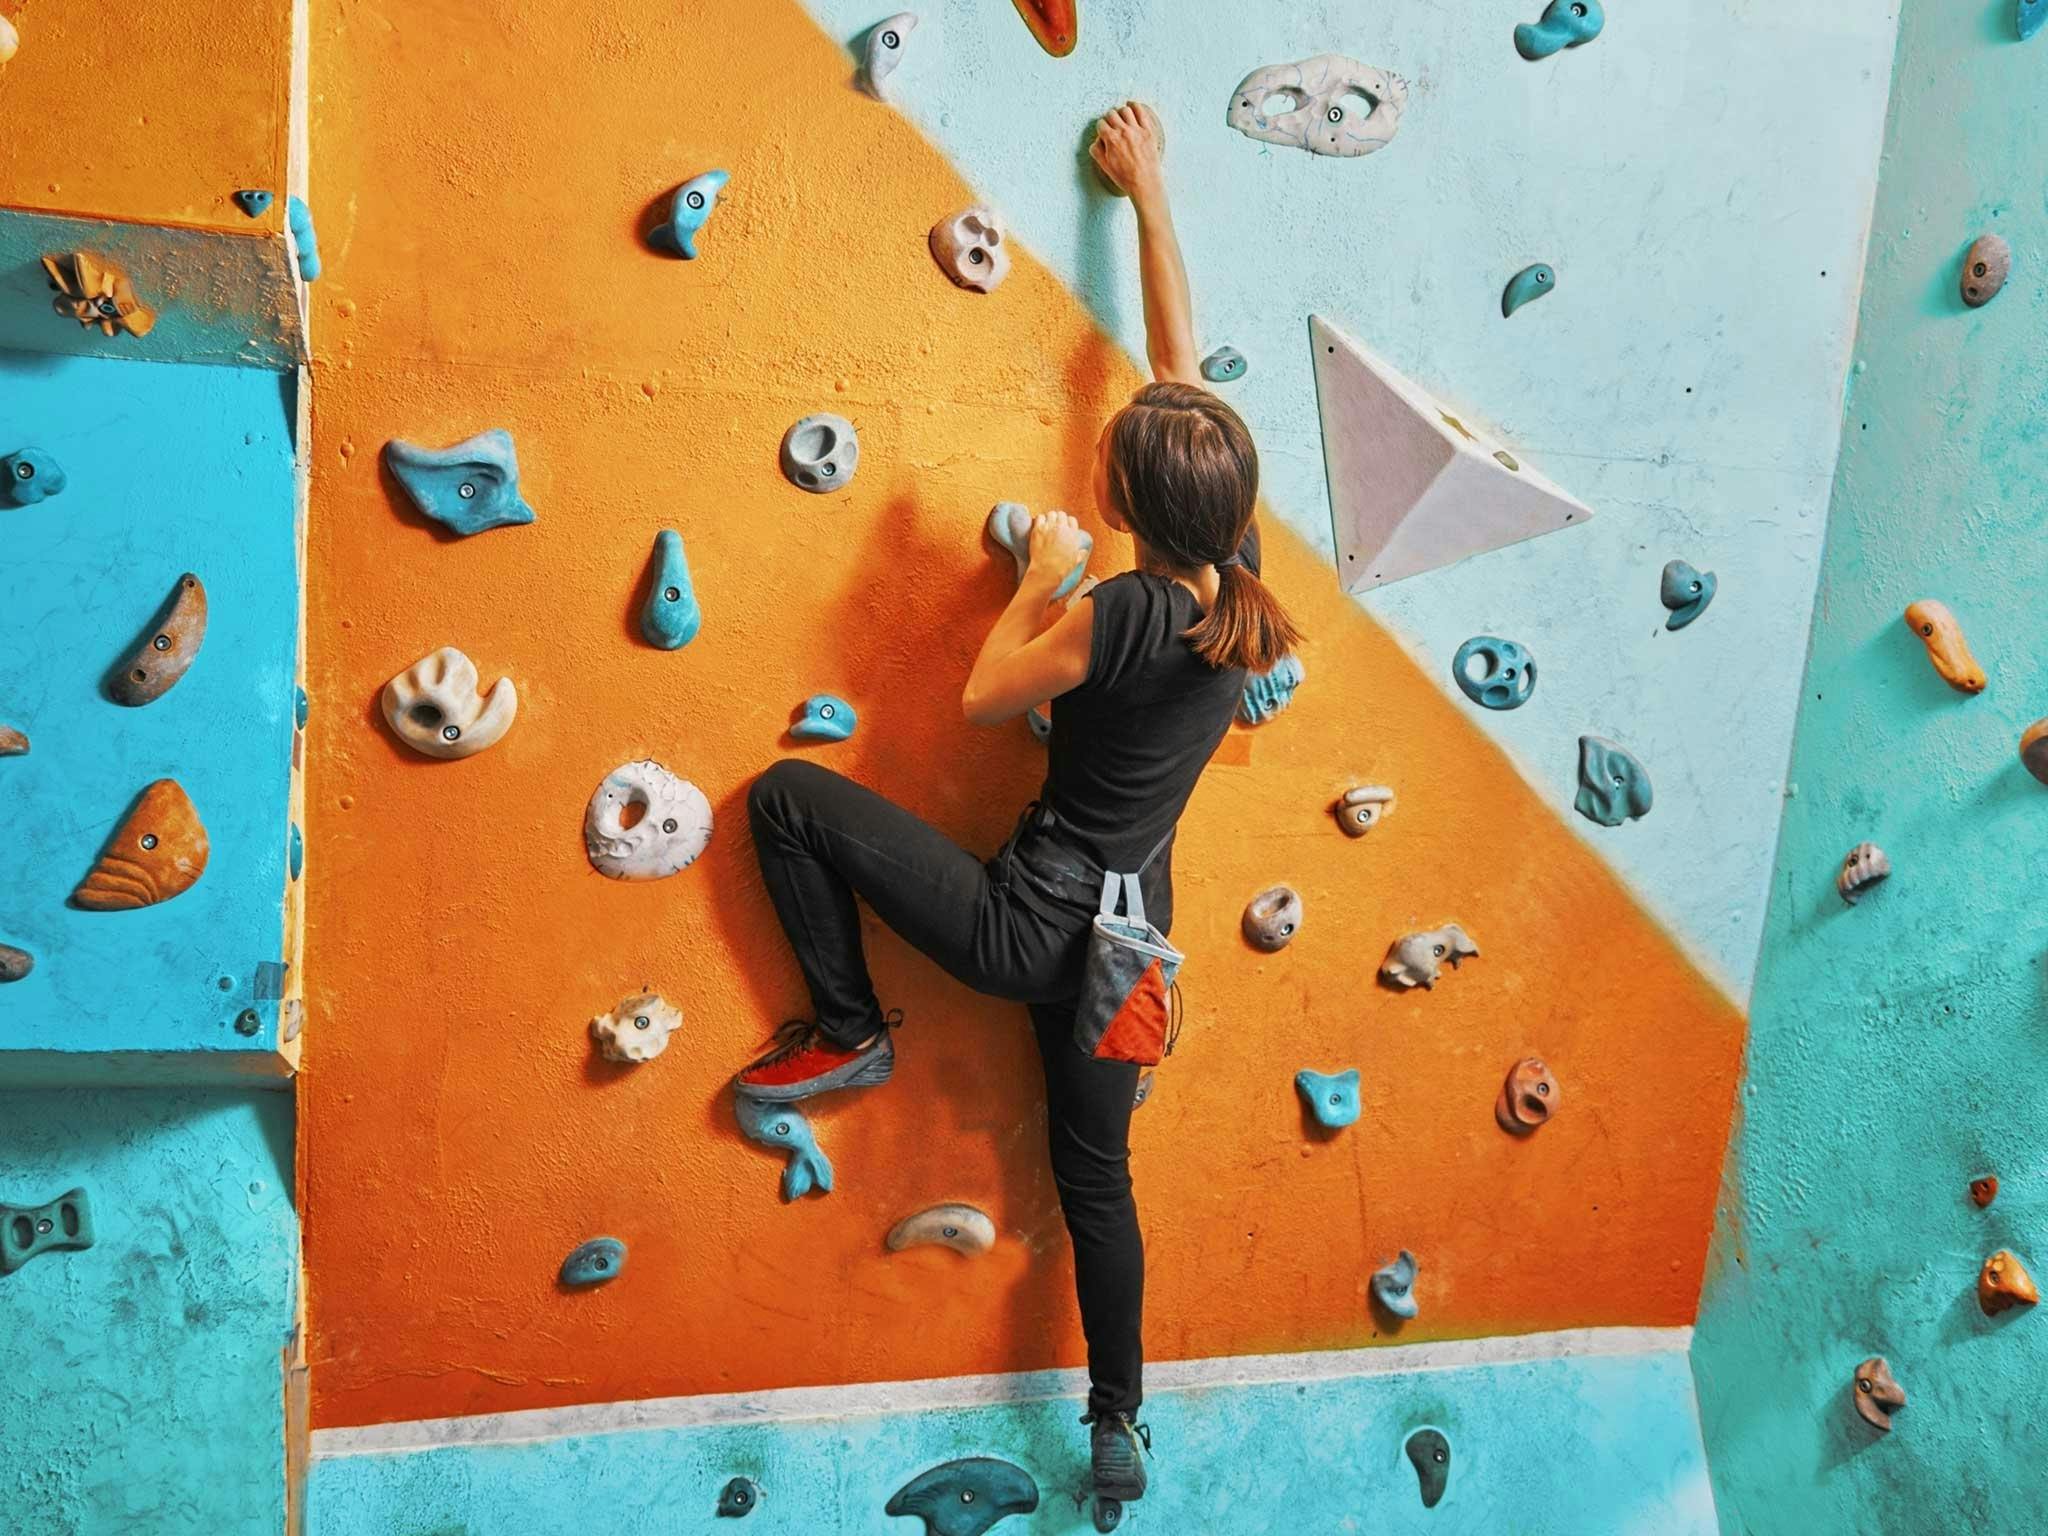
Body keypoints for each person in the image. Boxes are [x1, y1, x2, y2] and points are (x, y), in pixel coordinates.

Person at [736, 101, 1301, 1502]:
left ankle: (853, 1028)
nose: (1098, 455)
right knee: (1094, 1185)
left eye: (1104, 463)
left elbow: (989, 696)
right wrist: (1147, 191)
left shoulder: (1108, 610)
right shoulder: (1240, 590)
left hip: (1026, 927)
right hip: (1133, 953)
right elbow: (1181, 377)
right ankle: (1117, 1425)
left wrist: (1040, 570)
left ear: (1121, 505)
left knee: (789, 799)